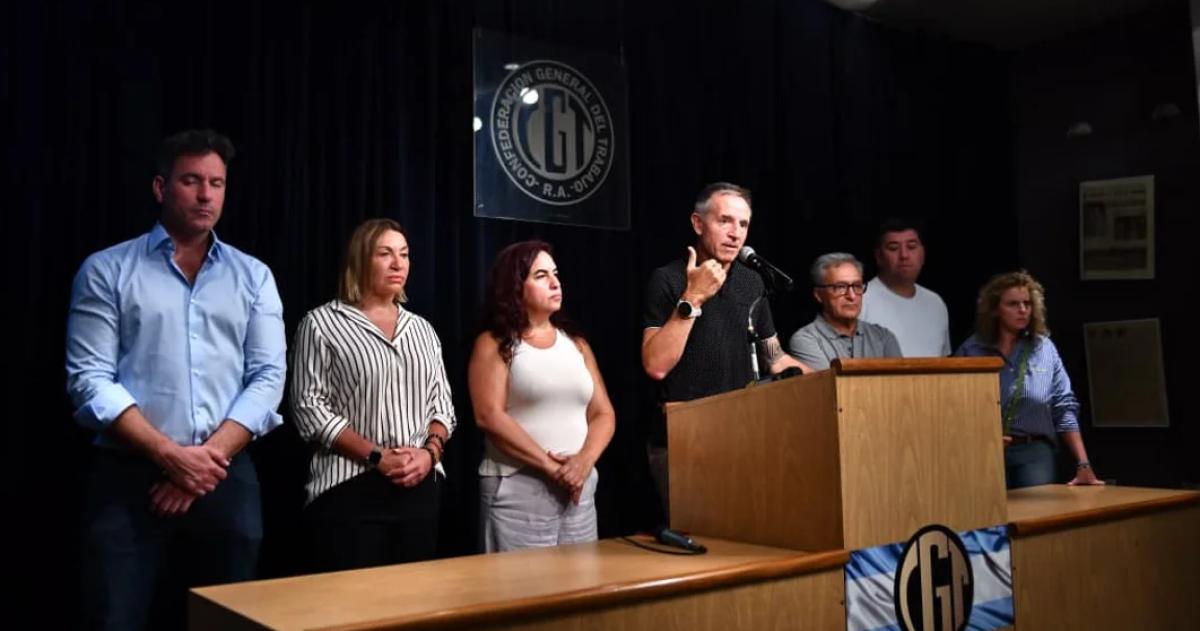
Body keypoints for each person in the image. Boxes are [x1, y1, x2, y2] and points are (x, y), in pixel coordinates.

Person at [65, 129, 286, 630]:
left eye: (217, 182)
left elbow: (269, 377)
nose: (206, 194)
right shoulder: (106, 270)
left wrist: (203, 464)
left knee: (234, 620)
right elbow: (89, 379)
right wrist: (170, 457)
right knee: (113, 618)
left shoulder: (254, 276)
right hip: (129, 480)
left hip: (225, 478)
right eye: (191, 181)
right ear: (161, 188)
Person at [290, 218, 455, 572]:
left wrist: (429, 454)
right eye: (385, 254)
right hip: (349, 488)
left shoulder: (422, 329)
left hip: (419, 487)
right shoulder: (321, 324)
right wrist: (378, 457)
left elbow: (443, 406)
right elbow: (309, 409)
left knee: (414, 610)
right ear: (361, 259)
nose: (398, 264)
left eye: (405, 254)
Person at [641, 182, 810, 515]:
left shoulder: (752, 282)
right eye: (725, 221)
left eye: (743, 224)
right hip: (686, 440)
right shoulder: (668, 279)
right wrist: (692, 298)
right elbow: (656, 365)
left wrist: (834, 379)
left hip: (742, 436)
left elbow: (773, 358)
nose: (736, 233)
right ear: (697, 223)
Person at [469, 240, 616, 552]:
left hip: (579, 490)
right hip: (518, 490)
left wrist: (583, 464)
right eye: (540, 275)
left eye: (555, 273)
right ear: (515, 286)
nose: (555, 282)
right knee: (521, 594)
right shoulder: (493, 342)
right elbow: (488, 415)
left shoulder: (576, 344)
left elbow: (603, 413)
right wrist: (555, 470)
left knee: (580, 592)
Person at [955, 270, 1103, 489]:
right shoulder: (972, 349)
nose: (1022, 310)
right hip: (984, 450)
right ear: (996, 309)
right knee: (988, 519)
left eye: (1027, 303)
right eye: (1013, 304)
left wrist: (1083, 463)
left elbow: (1064, 406)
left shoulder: (1044, 348)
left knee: (1035, 516)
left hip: (1034, 451)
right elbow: (955, 408)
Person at [788, 253, 901, 370]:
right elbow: (832, 386)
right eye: (840, 287)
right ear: (818, 295)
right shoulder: (806, 340)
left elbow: (901, 384)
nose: (851, 296)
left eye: (857, 286)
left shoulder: (883, 337)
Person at [859, 219, 951, 357]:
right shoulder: (859, 299)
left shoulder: (935, 303)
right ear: (879, 257)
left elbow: (945, 362)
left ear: (923, 254)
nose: (904, 255)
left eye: (912, 246)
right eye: (893, 248)